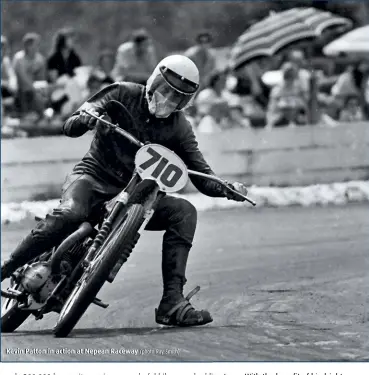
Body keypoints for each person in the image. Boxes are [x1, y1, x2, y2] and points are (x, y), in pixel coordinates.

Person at [1, 55, 248, 327]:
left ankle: (172, 301)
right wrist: (85, 118)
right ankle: (7, 267)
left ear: (185, 103)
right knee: (72, 213)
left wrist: (227, 188)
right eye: (166, 90)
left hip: (137, 199)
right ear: (154, 80)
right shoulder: (122, 93)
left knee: (184, 212)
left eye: (177, 98)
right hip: (92, 178)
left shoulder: (180, 127)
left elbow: (201, 173)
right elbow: (74, 122)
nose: (168, 100)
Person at [12, 32, 47, 117]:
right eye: (36, 45)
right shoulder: (19, 59)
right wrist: (35, 90)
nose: (37, 47)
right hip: (22, 91)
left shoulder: (40, 59)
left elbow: (42, 78)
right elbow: (23, 80)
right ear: (28, 46)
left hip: (36, 90)